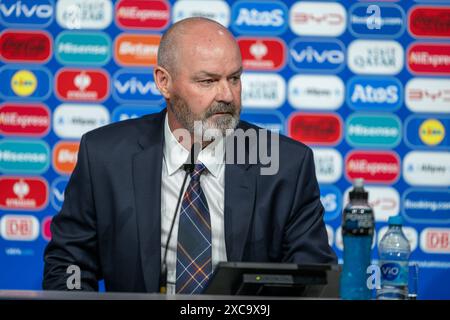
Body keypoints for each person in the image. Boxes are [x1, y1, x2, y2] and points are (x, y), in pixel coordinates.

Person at [43, 17, 336, 294]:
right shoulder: (105, 156)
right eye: (207, 81)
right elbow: (69, 263)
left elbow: (313, 277)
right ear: (164, 82)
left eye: (234, 78)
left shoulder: (286, 164)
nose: (227, 95)